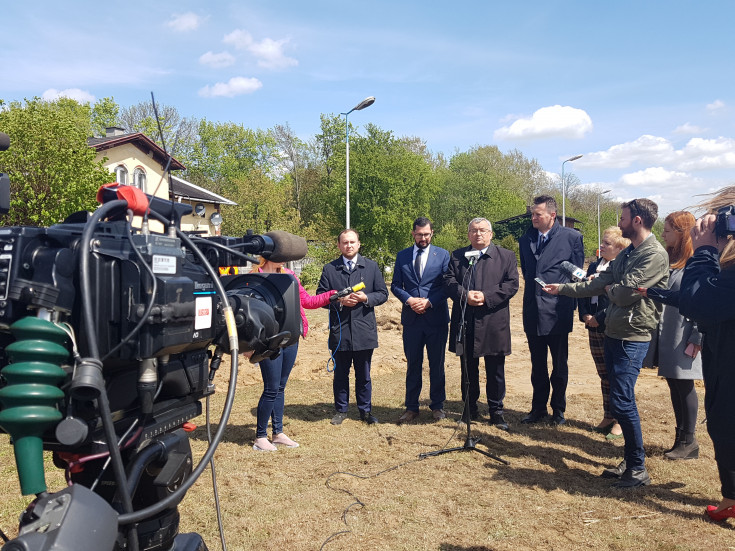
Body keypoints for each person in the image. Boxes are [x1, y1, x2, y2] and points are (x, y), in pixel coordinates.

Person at [544, 198, 668, 488]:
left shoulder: (654, 255)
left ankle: (638, 468)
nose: (620, 221)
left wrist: (613, 287)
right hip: (614, 331)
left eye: (623, 217)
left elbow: (625, 295)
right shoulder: (630, 254)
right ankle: (630, 459)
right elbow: (598, 283)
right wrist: (562, 289)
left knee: (623, 401)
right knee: (618, 399)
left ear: (637, 220)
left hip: (632, 336)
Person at [678, 187, 735, 520]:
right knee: (722, 423)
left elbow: (701, 301)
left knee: (727, 423)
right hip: (723, 352)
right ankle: (731, 497)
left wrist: (702, 251)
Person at [250, 257, 336, 451]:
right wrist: (248, 345)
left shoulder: (289, 276)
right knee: (271, 388)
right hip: (268, 341)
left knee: (280, 387)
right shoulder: (255, 277)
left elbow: (308, 301)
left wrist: (332, 294)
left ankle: (278, 433)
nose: (284, 259)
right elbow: (248, 311)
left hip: (291, 338)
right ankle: (260, 436)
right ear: (268, 255)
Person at [637, 211, 702, 461]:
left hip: (685, 334)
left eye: (667, 230)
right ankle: (681, 439)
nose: (662, 234)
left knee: (684, 384)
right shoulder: (672, 259)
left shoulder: (695, 262)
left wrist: (697, 337)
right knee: (674, 382)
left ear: (682, 232)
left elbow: (700, 301)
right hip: (670, 333)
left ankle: (689, 441)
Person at [444, 218, 519, 430]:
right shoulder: (458, 256)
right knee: (468, 368)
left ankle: (496, 411)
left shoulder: (506, 256)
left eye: (483, 231)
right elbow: (449, 281)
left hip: (494, 320)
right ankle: (470, 409)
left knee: (495, 369)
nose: (478, 234)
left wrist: (486, 296)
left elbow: (512, 284)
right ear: (468, 234)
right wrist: (465, 295)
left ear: (491, 234)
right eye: (474, 231)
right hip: (465, 319)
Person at [518, 195, 584, 425]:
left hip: (558, 311)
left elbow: (578, 278)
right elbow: (527, 271)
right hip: (533, 311)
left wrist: (575, 307)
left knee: (558, 366)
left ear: (552, 215)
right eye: (533, 214)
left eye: (538, 214)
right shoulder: (526, 238)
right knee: (537, 366)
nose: (533, 218)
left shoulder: (572, 237)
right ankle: (538, 409)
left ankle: (558, 410)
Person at [317, 229, 388, 425]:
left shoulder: (371, 267)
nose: (349, 245)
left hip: (364, 331)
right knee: (341, 374)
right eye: (345, 242)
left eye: (352, 242)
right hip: (340, 332)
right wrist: (340, 302)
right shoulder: (330, 269)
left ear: (359, 244)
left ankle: (365, 411)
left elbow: (383, 294)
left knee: (363, 374)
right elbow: (321, 298)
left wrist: (366, 298)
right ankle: (341, 410)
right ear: (339, 246)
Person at [390, 217, 450, 424]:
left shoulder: (443, 255)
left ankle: (437, 406)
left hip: (436, 319)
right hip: (412, 320)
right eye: (419, 234)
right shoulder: (403, 256)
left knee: (437, 364)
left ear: (432, 233)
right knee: (413, 364)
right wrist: (409, 299)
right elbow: (396, 285)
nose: (423, 238)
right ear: (413, 233)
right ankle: (411, 407)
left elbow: (446, 286)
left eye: (426, 234)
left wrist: (429, 302)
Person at [577, 226, 629, 440]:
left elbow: (620, 300)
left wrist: (600, 317)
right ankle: (608, 415)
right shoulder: (595, 265)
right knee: (604, 374)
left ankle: (620, 421)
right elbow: (584, 291)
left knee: (618, 375)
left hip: (612, 326)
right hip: (593, 325)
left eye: (607, 243)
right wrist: (586, 315)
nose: (602, 246)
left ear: (619, 247)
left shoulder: (622, 269)